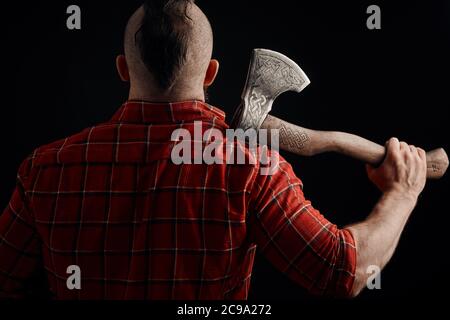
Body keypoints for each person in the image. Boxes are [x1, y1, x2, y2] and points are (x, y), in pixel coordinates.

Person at [0, 0, 427, 299]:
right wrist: (403, 192)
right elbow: (344, 273)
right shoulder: (250, 163)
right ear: (211, 73)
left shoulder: (45, 168)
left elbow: (7, 281)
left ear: (122, 68)